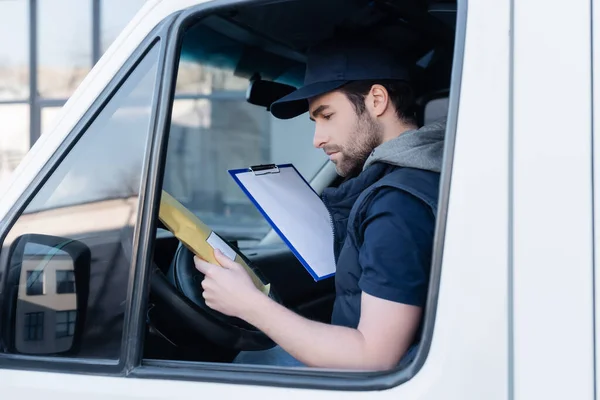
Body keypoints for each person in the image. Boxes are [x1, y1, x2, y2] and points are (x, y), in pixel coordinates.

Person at [194, 38, 445, 371]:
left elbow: (373, 357)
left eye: (326, 116)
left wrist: (248, 304)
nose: (317, 139)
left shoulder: (396, 205)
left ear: (377, 100)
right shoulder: (426, 174)